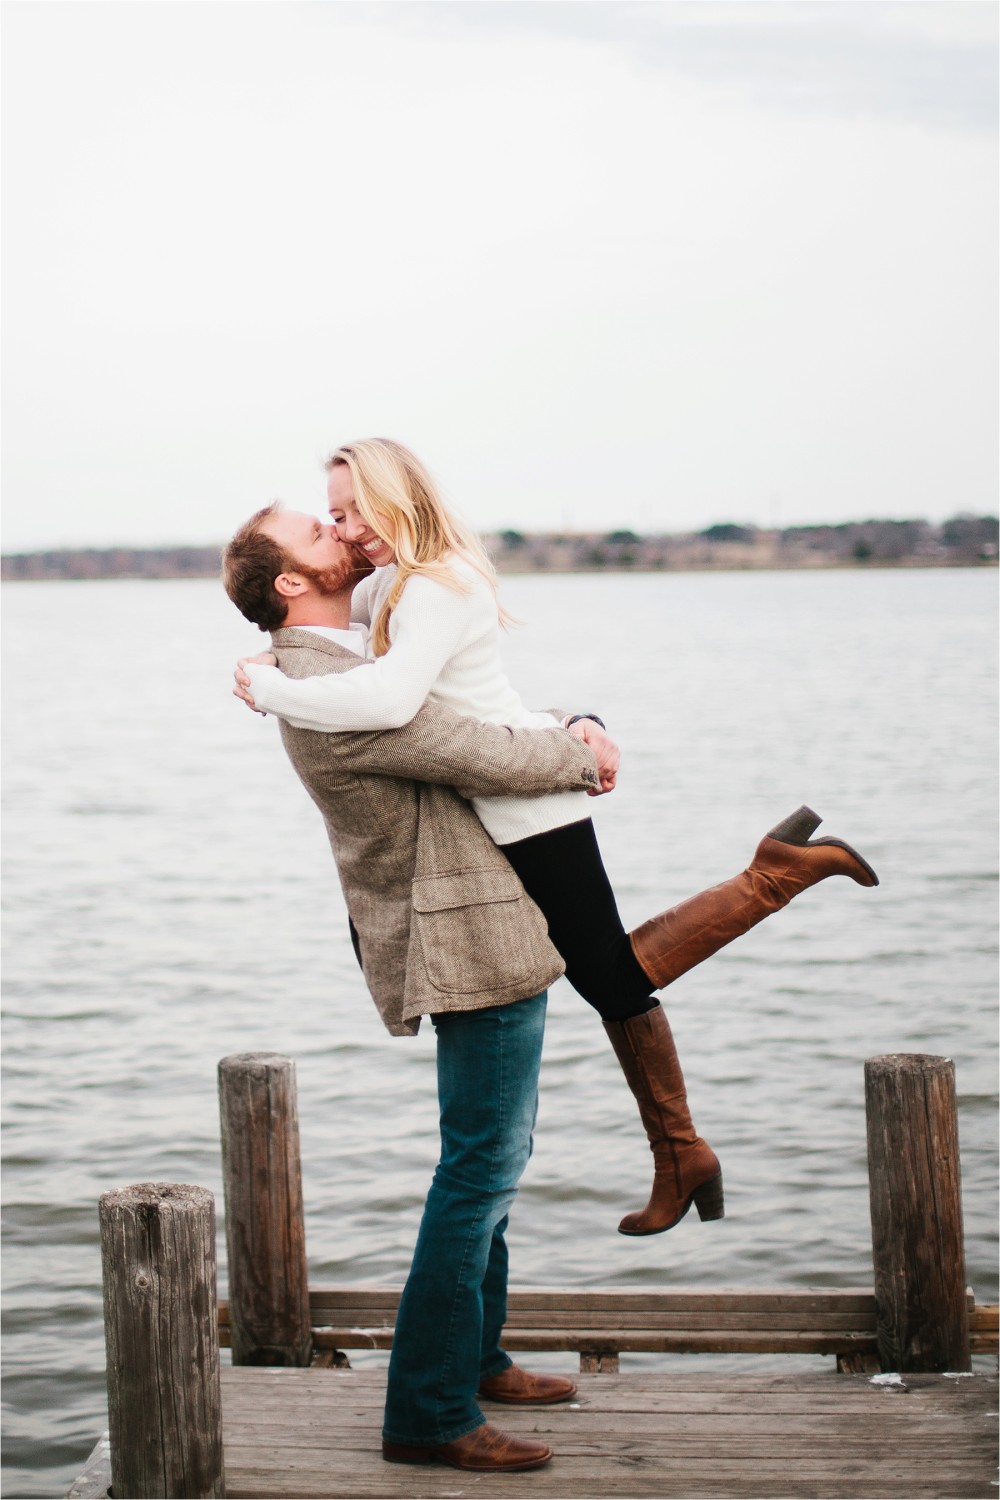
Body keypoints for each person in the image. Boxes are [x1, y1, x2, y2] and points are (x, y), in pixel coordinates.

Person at [234, 440, 879, 1240]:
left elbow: (391, 696)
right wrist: (271, 645)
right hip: (506, 795)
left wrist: (270, 685)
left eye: (355, 508)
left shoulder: (436, 585)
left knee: (609, 976)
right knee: (611, 979)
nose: (348, 526)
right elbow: (322, 635)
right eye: (332, 516)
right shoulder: (395, 584)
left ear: (397, 496)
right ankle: (680, 1152)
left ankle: (773, 880)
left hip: (531, 805)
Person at [222, 511, 609, 1473]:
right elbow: (472, 752)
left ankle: (476, 1358)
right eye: (317, 527)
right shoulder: (318, 683)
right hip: (462, 935)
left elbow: (472, 712)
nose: (339, 528)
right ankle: (430, 1413)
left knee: (493, 1160)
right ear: (288, 583)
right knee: (478, 1169)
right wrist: (585, 755)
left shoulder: (344, 664)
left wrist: (571, 717)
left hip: (471, 925)